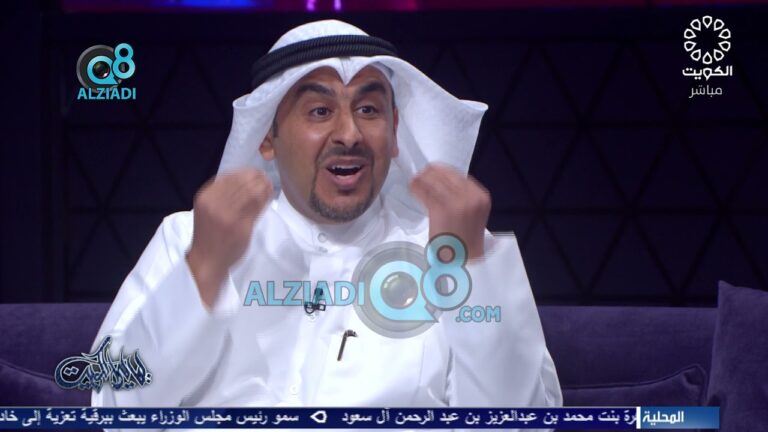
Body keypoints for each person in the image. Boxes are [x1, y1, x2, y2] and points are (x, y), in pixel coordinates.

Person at [91, 18, 562, 424]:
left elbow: (519, 424)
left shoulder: (449, 247)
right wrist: (204, 270)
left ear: (395, 132)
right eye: (320, 111)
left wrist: (470, 269)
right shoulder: (191, 237)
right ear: (267, 137)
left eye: (369, 110)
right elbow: (115, 408)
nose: (350, 134)